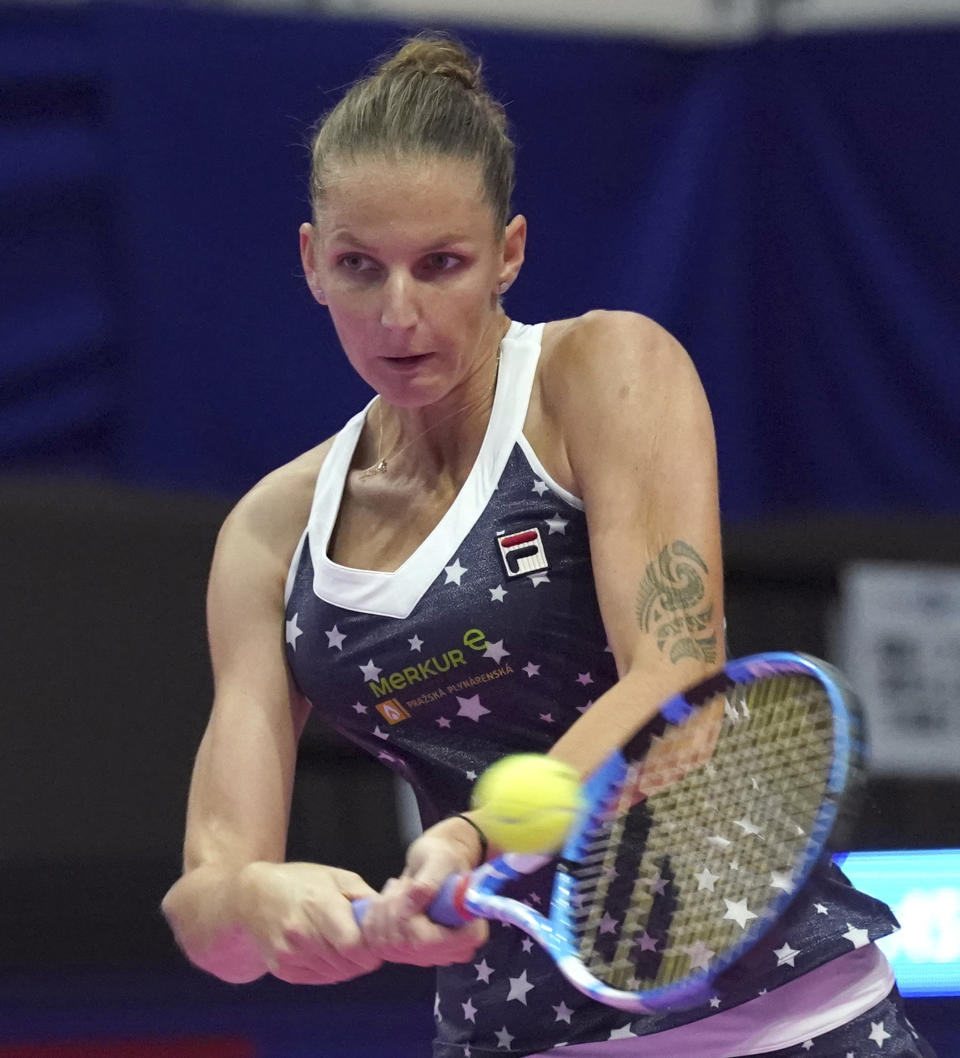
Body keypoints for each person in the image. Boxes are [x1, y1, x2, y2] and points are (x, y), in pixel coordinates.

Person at [161, 32, 937, 1058]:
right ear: (311, 261)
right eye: (360, 266)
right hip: (512, 1034)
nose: (400, 313)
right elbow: (203, 901)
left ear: (510, 252)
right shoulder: (269, 534)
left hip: (777, 1019)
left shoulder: (603, 372)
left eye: (442, 264)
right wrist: (258, 900)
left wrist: (476, 835)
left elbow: (677, 684)